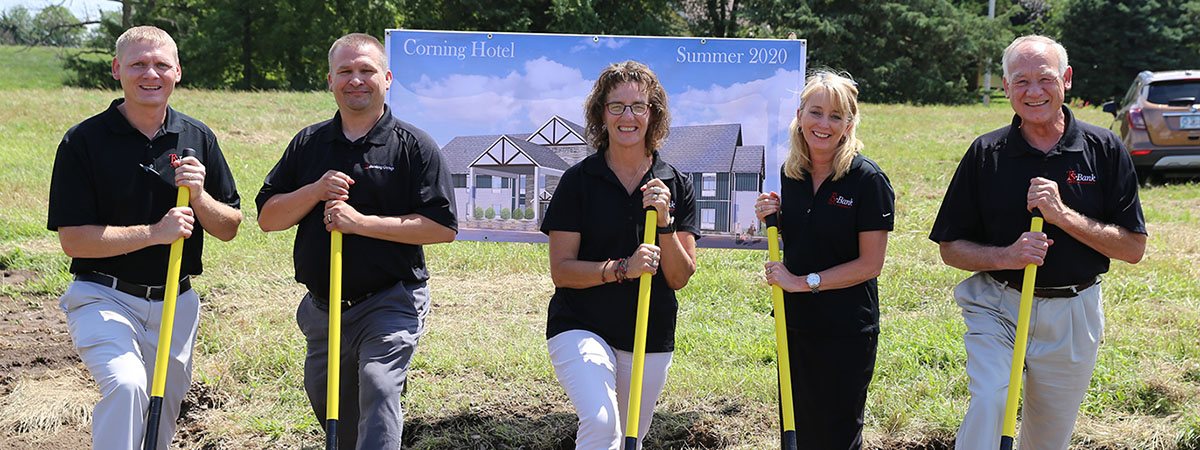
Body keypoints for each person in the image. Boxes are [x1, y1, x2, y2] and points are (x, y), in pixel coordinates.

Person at [929, 35, 1147, 449]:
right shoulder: (986, 153)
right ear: (1006, 88)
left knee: (1047, 439)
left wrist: (1061, 215)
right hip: (998, 305)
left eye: (1044, 79)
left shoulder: (1103, 149)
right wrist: (1007, 256)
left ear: (1065, 80)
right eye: (1020, 81)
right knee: (991, 398)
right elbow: (950, 247)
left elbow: (1133, 249)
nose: (1033, 91)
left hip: (1073, 312)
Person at [255, 33, 457, 449]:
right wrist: (313, 191)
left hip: (391, 300)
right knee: (329, 403)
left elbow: (441, 228)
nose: (355, 80)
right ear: (330, 81)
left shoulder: (414, 146)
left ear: (386, 78)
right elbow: (268, 218)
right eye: (345, 71)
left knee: (379, 385)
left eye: (366, 70)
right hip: (322, 308)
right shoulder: (308, 143)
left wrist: (361, 223)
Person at [47, 25, 242, 450]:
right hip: (103, 298)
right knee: (128, 385)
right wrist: (156, 233)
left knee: (163, 411)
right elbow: (74, 241)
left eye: (160, 64)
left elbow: (229, 227)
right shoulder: (83, 141)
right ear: (117, 69)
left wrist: (200, 196)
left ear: (178, 72)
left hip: (177, 299)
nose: (149, 74)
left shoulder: (197, 138)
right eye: (137, 64)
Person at [540, 60, 700, 449]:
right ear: (601, 114)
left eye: (638, 106)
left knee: (630, 437)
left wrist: (664, 224)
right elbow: (562, 271)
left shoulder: (675, 182)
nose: (627, 116)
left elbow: (679, 277)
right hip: (580, 324)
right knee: (602, 424)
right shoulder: (578, 181)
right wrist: (622, 269)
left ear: (653, 114)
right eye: (616, 106)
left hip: (649, 334)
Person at [753, 70, 894, 449]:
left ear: (849, 124)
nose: (824, 124)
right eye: (816, 112)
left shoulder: (867, 180)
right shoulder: (790, 175)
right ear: (799, 116)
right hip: (795, 325)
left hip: (847, 330)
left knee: (838, 435)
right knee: (796, 433)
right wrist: (775, 219)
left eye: (836, 116)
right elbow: (809, 236)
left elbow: (870, 264)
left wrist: (802, 282)